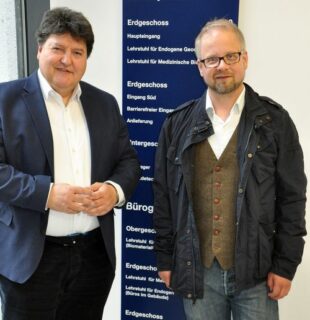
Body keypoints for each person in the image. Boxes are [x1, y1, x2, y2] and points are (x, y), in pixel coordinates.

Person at [153, 18, 307, 320]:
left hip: (258, 273)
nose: (221, 65)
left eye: (230, 56)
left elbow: (292, 199)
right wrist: (165, 259)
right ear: (199, 66)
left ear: (245, 59)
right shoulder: (176, 125)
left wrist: (285, 265)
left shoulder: (274, 123)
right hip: (197, 271)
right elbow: (163, 198)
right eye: (211, 59)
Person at [0, 7, 140, 320]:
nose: (67, 60)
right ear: (39, 50)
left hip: (93, 258)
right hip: (31, 260)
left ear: (86, 59)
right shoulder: (4, 101)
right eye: (58, 49)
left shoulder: (104, 103)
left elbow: (128, 161)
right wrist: (47, 194)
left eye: (77, 52)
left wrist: (113, 191)